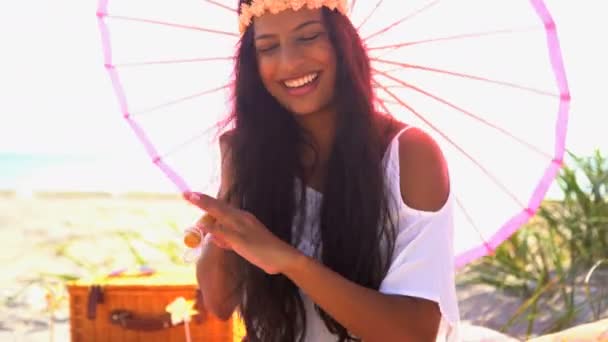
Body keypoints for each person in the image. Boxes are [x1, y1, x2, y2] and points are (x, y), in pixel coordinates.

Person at [185, 1, 460, 341]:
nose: (289, 62)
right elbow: (219, 301)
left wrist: (290, 261)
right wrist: (234, 186)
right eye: (268, 48)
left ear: (342, 43)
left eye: (309, 37)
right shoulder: (254, 157)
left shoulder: (409, 154)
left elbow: (416, 333)